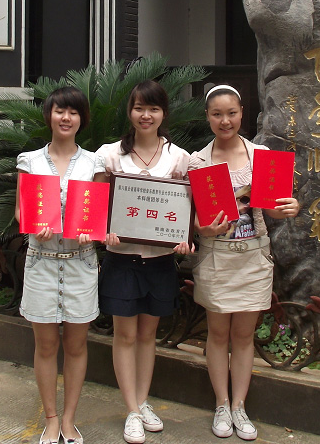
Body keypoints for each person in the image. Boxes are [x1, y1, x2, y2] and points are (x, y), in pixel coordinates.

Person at [189, 85, 300, 441]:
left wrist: (289, 207)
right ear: (207, 117)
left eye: (232, 113)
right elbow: (192, 218)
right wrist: (203, 228)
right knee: (218, 334)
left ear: (241, 113)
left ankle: (240, 406)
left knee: (243, 335)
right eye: (217, 114)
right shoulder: (198, 161)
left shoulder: (261, 156)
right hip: (216, 257)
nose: (225, 121)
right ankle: (221, 404)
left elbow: (273, 208)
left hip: (253, 256)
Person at [94, 80, 193, 444]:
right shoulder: (109, 155)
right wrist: (104, 230)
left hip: (161, 262)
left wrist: (184, 237)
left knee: (148, 336)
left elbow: (187, 209)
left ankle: (142, 400)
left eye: (153, 108)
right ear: (130, 111)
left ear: (164, 113)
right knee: (125, 335)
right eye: (139, 107)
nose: (145, 115)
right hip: (121, 261)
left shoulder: (180, 158)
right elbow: (98, 205)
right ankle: (132, 411)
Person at [15, 86, 98, 444]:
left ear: (82, 119)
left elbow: (98, 213)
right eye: (60, 111)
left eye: (74, 112)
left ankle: (68, 420)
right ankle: (50, 418)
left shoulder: (94, 163)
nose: (66, 118)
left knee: (77, 346)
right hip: (42, 262)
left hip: (81, 263)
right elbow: (21, 211)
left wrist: (92, 233)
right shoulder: (29, 161)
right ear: (48, 114)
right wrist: (34, 225)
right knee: (46, 346)